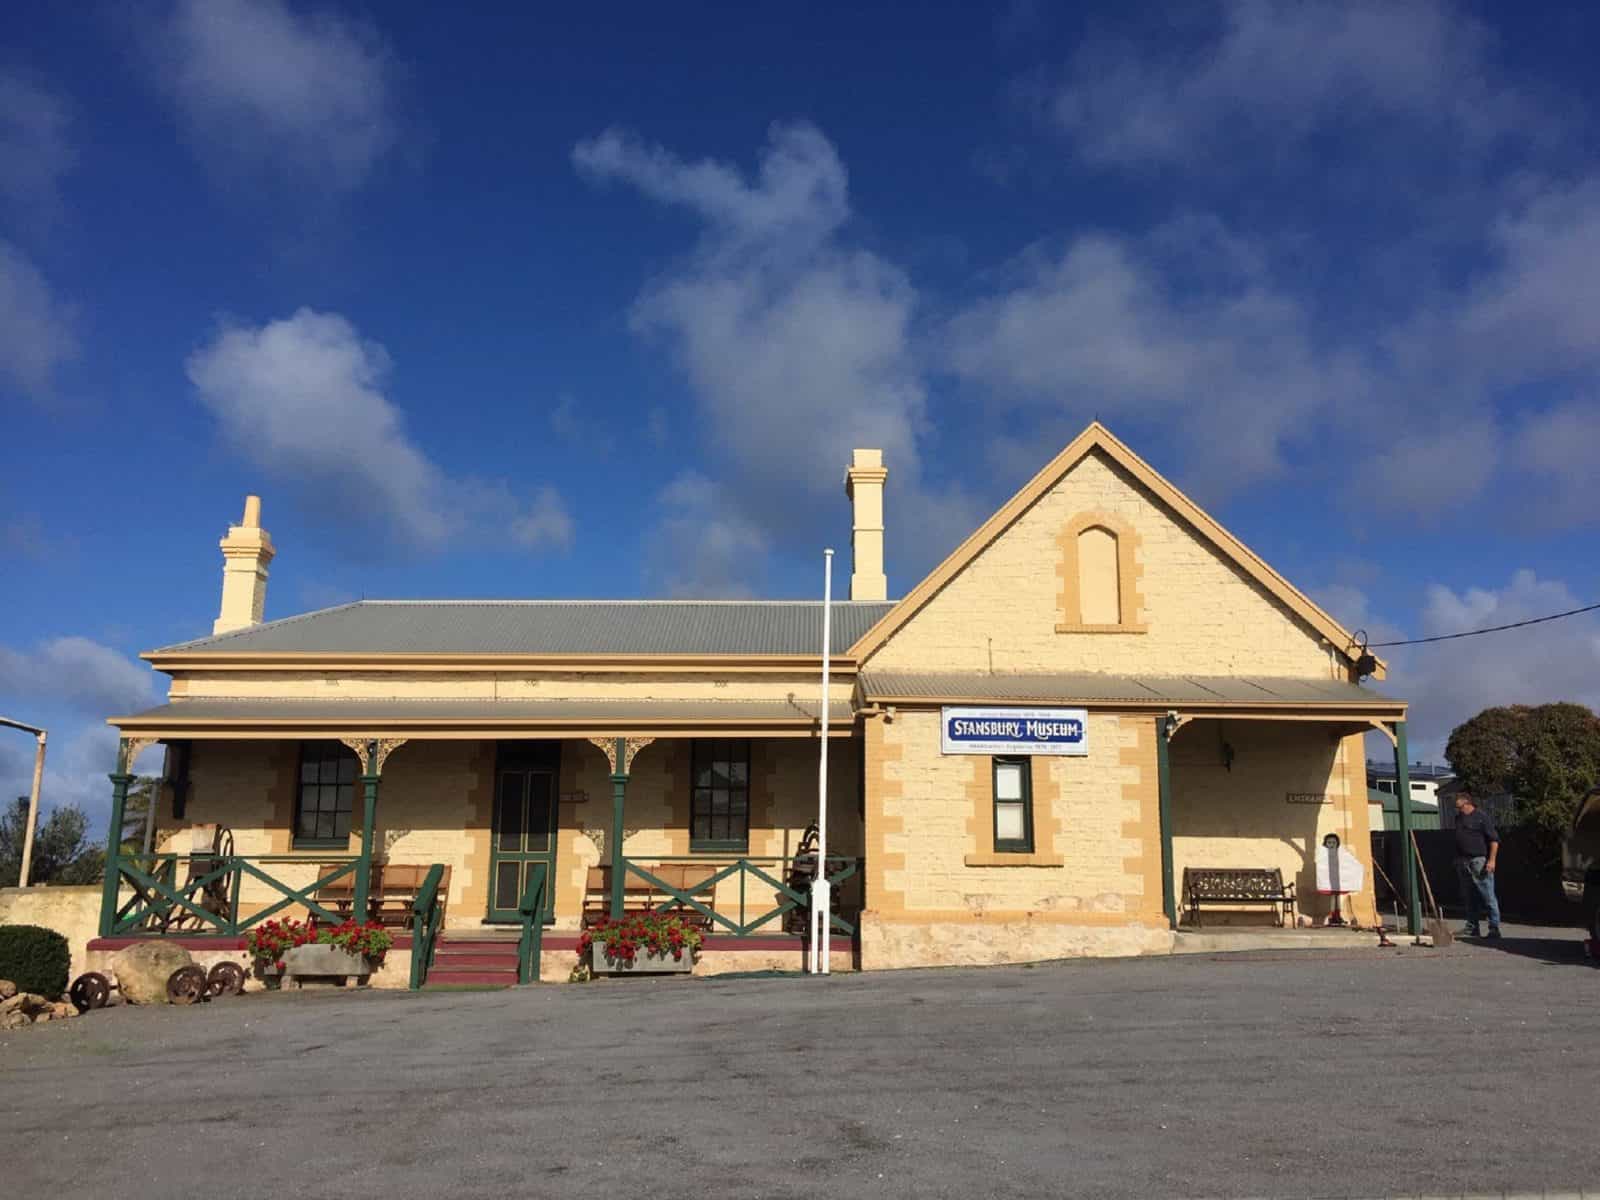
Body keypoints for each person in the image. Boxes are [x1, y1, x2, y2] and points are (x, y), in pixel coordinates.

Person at [1453, 791, 1501, 938]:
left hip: (1478, 861)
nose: (1458, 810)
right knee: (1469, 897)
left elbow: (1494, 840)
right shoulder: (1458, 818)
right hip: (1463, 861)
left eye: (1460, 807)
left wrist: (1491, 860)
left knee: (1487, 895)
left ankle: (1494, 928)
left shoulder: (1481, 817)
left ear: (1468, 804)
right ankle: (1472, 927)